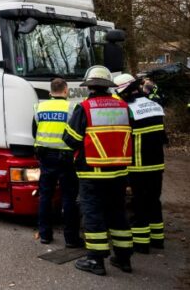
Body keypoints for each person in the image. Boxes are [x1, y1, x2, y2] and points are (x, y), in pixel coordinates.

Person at [64, 65, 133, 276]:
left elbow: (71, 139)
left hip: (92, 172)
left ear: (90, 86)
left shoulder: (84, 108)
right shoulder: (123, 107)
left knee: (93, 213)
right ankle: (123, 259)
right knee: (118, 213)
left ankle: (95, 260)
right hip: (119, 172)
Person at [115, 74, 168, 253]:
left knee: (139, 203)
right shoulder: (154, 104)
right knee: (154, 200)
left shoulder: (128, 110)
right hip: (157, 164)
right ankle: (158, 239)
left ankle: (141, 243)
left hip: (138, 165)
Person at [33, 78, 81, 247]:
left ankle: (45, 235)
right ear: (66, 91)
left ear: (50, 92)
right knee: (68, 198)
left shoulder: (39, 107)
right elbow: (77, 135)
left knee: (45, 196)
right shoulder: (72, 108)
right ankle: (71, 238)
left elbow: (35, 131)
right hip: (66, 159)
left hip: (45, 157)